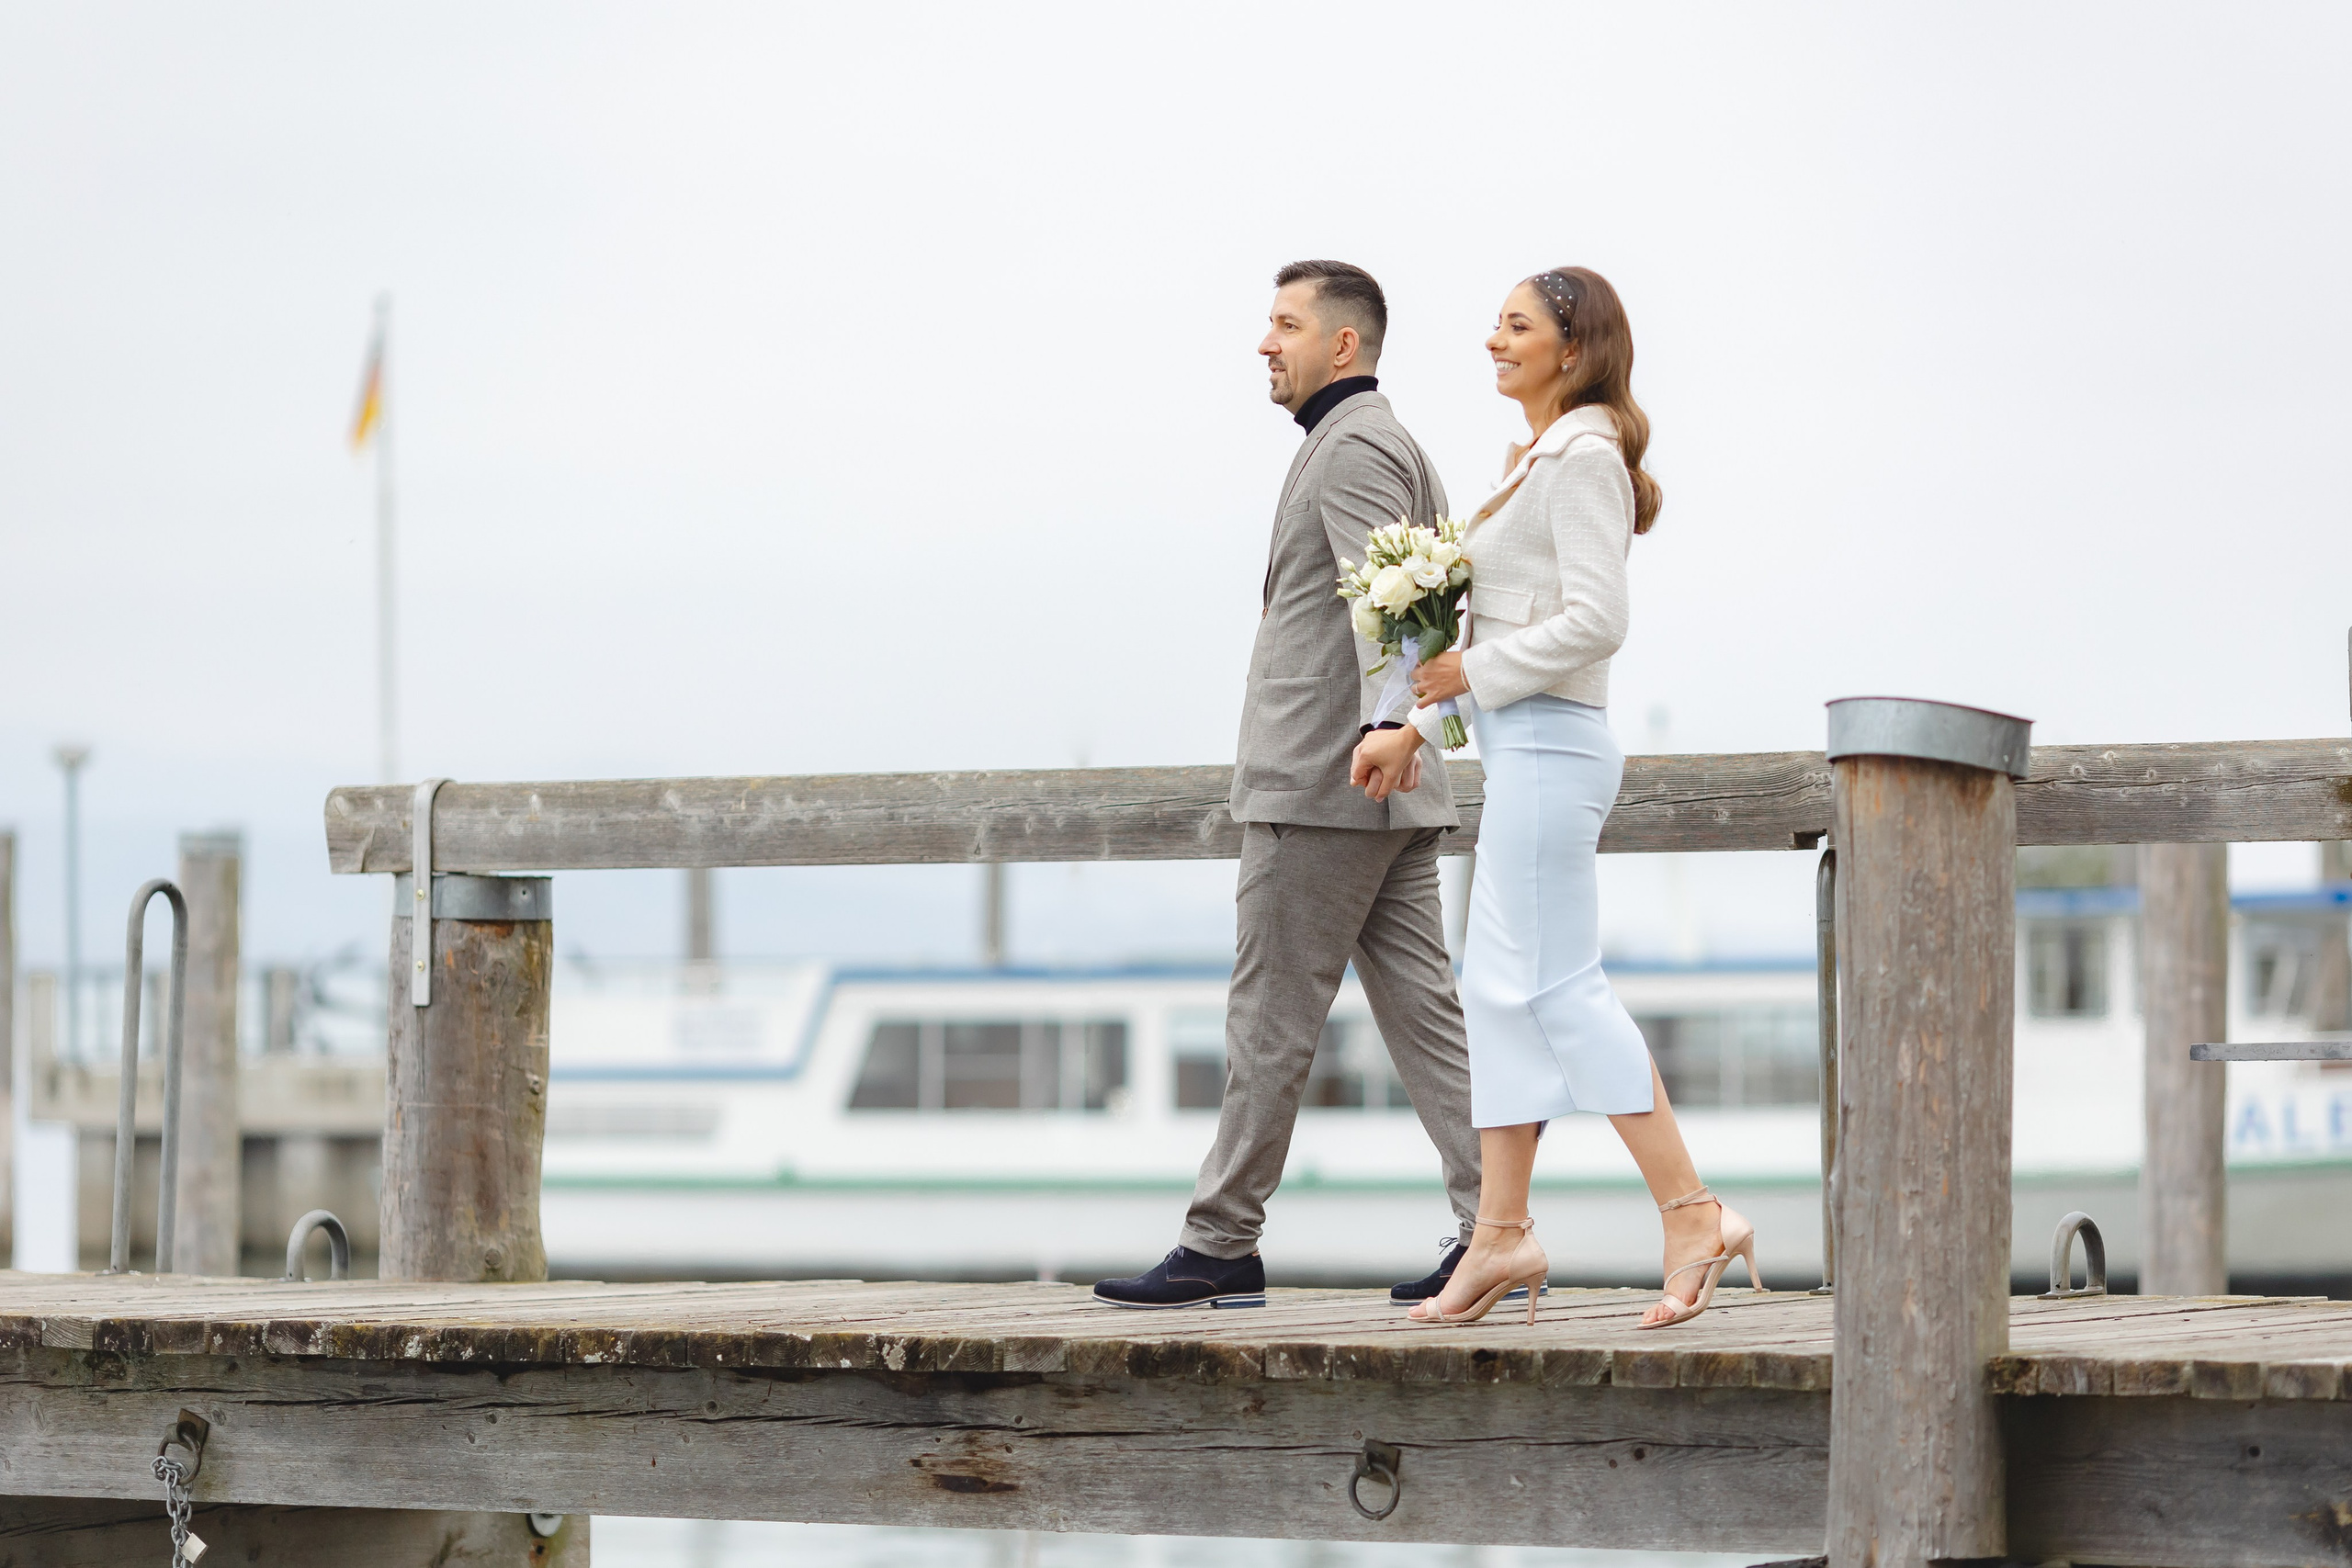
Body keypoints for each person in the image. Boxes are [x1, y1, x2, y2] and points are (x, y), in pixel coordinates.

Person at [1351, 266, 1761, 1329]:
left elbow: (1595, 620)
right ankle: (1498, 1236)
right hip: (1520, 746)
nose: (1493, 339)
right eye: (1495, 323)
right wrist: (1420, 719)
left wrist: (1463, 680)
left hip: (1551, 746)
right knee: (1493, 989)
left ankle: (1691, 1212)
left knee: (1558, 989)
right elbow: (1502, 633)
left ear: (1572, 350)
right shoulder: (1533, 458)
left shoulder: (1582, 457)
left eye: (1516, 325)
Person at [1093, 260, 1485, 1309]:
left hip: (1325, 786)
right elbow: (1431, 603)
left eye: (1285, 324)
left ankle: (1221, 1241)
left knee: (1268, 1017)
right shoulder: (1389, 440)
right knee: (1427, 1018)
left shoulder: (1352, 445)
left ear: (1341, 345)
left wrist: (1386, 725)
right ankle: (1494, 1224)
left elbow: (1391, 610)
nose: (1265, 344)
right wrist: (1408, 735)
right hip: (1388, 791)